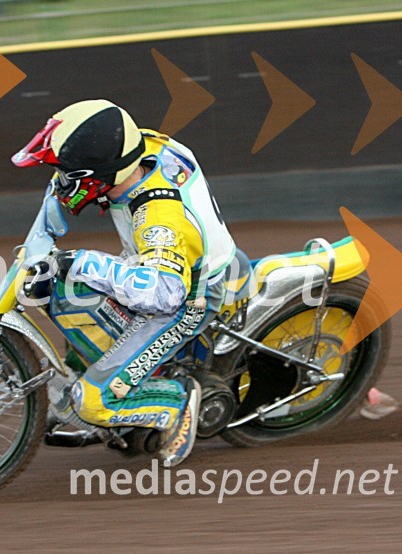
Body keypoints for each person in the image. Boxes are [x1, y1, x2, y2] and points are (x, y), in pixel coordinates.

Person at [12, 99, 237, 466]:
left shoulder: (158, 218)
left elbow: (164, 295)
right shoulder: (138, 148)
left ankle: (175, 401)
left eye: (70, 174)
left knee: (91, 401)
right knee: (69, 294)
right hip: (165, 264)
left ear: (100, 174)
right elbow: (62, 194)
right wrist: (40, 253)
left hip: (187, 295)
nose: (60, 182)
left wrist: (79, 261)